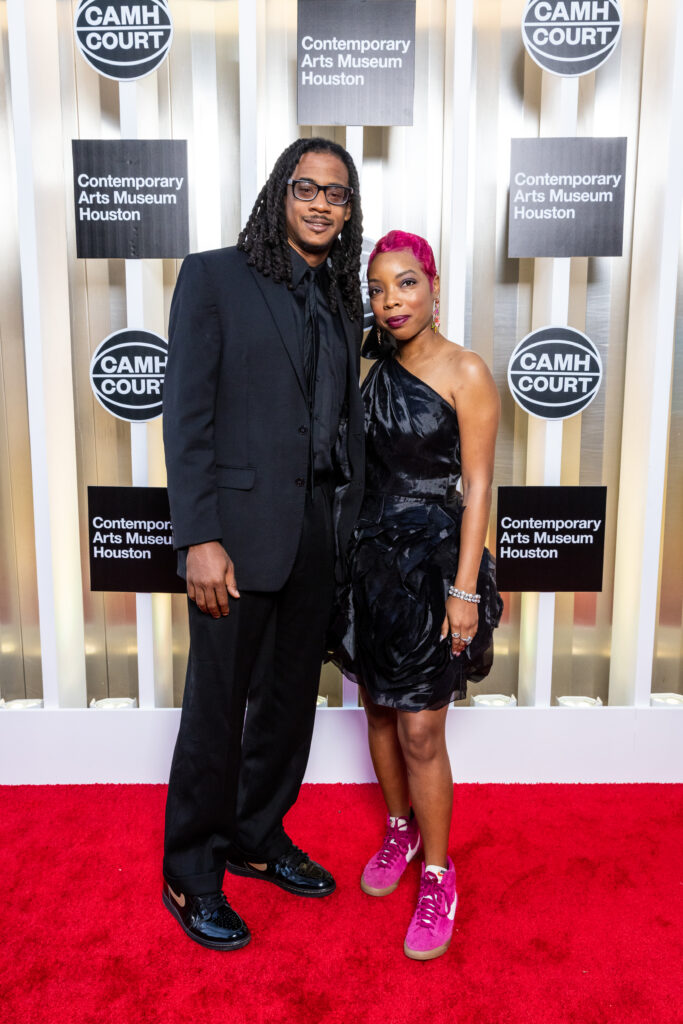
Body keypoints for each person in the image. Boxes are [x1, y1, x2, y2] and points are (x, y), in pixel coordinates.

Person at [161, 138, 365, 950]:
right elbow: (187, 418)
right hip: (236, 541)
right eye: (306, 188)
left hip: (316, 534)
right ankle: (192, 871)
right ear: (280, 193)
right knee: (218, 712)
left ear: (349, 212)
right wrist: (199, 538)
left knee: (287, 709)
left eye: (336, 195)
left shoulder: (343, 300)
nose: (320, 203)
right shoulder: (213, 277)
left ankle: (256, 835)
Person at [330, 230, 502, 961]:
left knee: (421, 730)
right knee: (375, 706)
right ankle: (398, 829)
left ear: (433, 285)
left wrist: (463, 589)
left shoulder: (465, 369)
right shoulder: (368, 369)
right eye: (377, 289)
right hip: (370, 561)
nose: (390, 300)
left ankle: (438, 871)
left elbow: (480, 487)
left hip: (433, 565)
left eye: (404, 283)